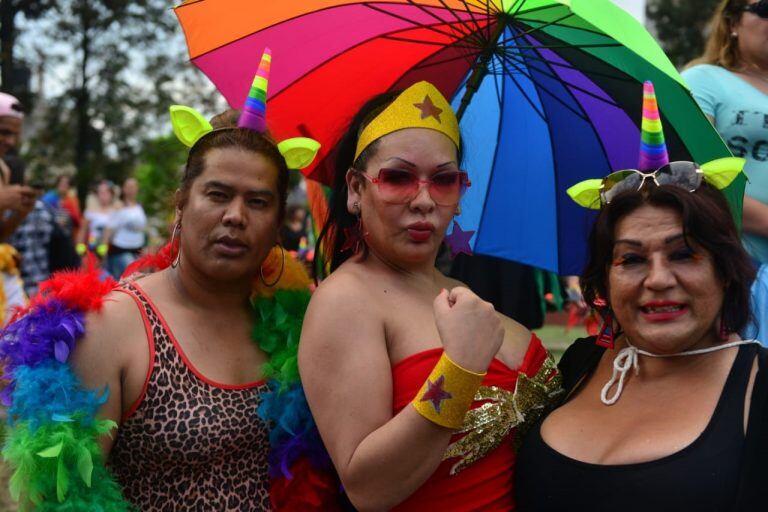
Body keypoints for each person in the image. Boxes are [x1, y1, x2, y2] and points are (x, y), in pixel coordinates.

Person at [1, 49, 341, 510]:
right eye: (217, 194)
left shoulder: (294, 325)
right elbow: (66, 498)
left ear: (279, 221)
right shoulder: (116, 324)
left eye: (258, 202)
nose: (235, 216)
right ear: (182, 203)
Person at [299, 81, 563, 512]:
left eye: (443, 180)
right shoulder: (345, 300)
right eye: (398, 177)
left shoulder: (460, 294)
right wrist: (460, 370)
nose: (423, 200)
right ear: (353, 189)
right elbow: (369, 488)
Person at [516, 82, 766, 510]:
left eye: (684, 254)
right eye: (631, 260)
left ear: (724, 271)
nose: (658, 279)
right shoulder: (579, 363)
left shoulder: (757, 392)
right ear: (604, 282)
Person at [682, 1, 768, 340]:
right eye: (764, 8)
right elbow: (693, 173)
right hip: (732, 263)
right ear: (732, 22)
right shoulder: (703, 80)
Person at [103, 177, 147, 279]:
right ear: (124, 189)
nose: (131, 189)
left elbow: (142, 229)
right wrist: (103, 252)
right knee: (132, 276)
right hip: (120, 250)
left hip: (137, 249)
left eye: (133, 186)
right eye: (128, 186)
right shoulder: (119, 206)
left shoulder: (140, 206)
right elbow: (108, 229)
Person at [77, 180, 116, 259]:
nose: (103, 195)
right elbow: (83, 230)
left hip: (112, 251)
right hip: (92, 247)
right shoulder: (90, 211)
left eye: (106, 192)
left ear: (111, 194)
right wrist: (80, 248)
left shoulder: (116, 211)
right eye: (100, 192)